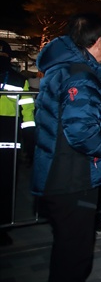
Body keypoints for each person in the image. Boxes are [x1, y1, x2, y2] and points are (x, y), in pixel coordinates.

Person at [31, 13, 101, 281]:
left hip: (57, 173)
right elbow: (81, 132)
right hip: (73, 177)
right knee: (75, 257)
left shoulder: (60, 70)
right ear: (97, 42)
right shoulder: (80, 76)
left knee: (66, 251)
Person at [0, 40, 35, 246]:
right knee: (5, 186)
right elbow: (28, 117)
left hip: (9, 139)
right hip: (8, 140)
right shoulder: (18, 80)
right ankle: (3, 228)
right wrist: (31, 146)